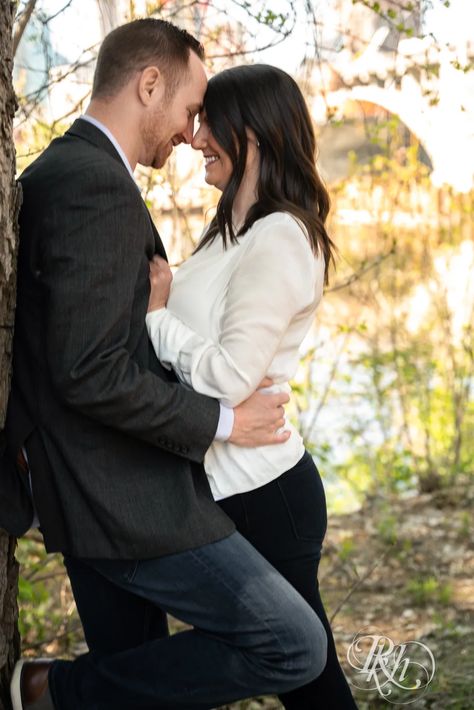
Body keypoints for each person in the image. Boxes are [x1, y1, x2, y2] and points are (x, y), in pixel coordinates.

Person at [3, 19, 328, 710]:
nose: (190, 132)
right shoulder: (93, 184)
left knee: (146, 677)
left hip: (116, 476)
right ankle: (45, 690)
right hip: (118, 487)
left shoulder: (69, 173)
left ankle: (47, 690)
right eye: (188, 110)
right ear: (148, 84)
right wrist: (221, 421)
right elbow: (88, 368)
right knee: (292, 643)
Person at [146, 64, 358, 709]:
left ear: (256, 135)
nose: (197, 134)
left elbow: (232, 376)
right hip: (225, 485)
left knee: (304, 671)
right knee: (300, 668)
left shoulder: (282, 238)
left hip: (265, 494)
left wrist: (156, 319)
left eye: (212, 120)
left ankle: (62, 691)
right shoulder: (230, 233)